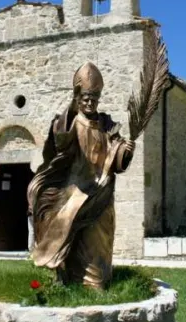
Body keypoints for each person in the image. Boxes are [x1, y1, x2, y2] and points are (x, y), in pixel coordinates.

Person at [27, 62, 135, 289]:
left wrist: (126, 150)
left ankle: (95, 284)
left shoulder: (107, 125)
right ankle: (66, 280)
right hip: (75, 192)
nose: (89, 103)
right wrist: (71, 107)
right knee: (66, 233)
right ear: (78, 98)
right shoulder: (70, 121)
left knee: (98, 243)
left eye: (93, 99)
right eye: (85, 98)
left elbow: (116, 159)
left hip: (101, 195)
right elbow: (59, 141)